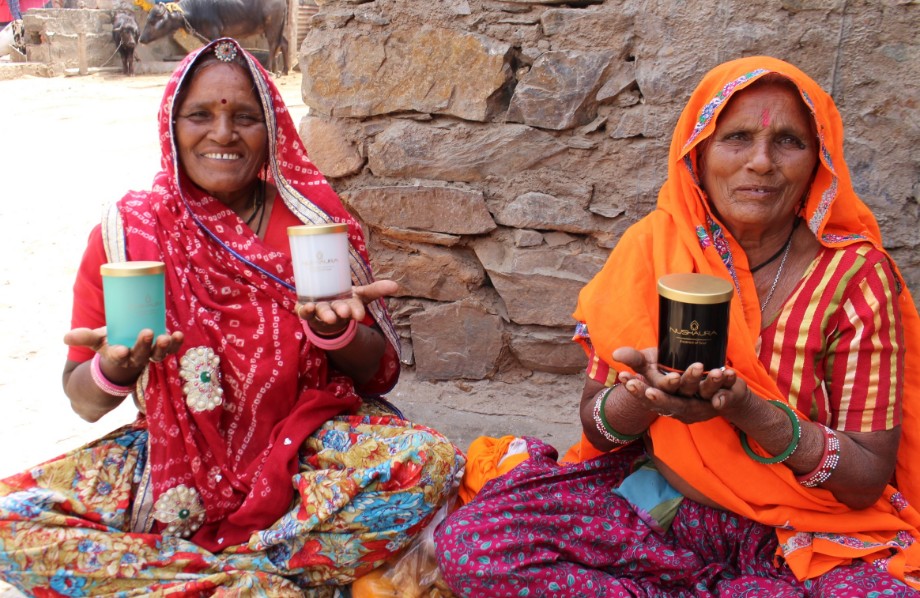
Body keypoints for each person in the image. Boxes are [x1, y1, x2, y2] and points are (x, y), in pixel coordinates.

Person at [434, 56, 920, 595]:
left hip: (803, 529)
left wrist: (753, 413)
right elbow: (599, 428)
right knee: (477, 545)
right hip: (665, 502)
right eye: (735, 138)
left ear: (820, 159)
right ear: (699, 153)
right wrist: (642, 395)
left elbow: (865, 478)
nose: (761, 162)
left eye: (789, 142)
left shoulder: (855, 276)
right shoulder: (653, 248)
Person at [0, 37, 463, 596]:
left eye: (244, 117)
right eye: (200, 115)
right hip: (172, 456)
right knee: (11, 521)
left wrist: (336, 331)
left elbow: (379, 373)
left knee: (429, 462)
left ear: (272, 130)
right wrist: (114, 368)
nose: (222, 134)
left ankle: (219, 576)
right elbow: (83, 401)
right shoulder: (128, 233)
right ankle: (258, 581)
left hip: (309, 442)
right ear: (172, 126)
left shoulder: (311, 223)